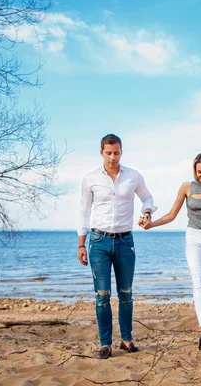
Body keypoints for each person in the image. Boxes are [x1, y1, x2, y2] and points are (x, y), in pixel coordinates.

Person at [77, 134, 156, 359]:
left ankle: (127, 339)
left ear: (121, 152)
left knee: (126, 293)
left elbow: (147, 198)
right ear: (101, 153)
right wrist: (81, 244)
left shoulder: (133, 176)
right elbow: (83, 212)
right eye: (108, 153)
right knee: (102, 295)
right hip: (99, 242)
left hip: (125, 241)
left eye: (117, 152)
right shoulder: (90, 179)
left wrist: (147, 212)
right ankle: (105, 344)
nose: (113, 157)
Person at [140, 152, 201, 351]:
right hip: (193, 238)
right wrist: (151, 224)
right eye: (199, 172)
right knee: (198, 280)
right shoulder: (187, 187)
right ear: (194, 170)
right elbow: (172, 214)